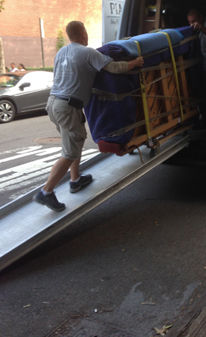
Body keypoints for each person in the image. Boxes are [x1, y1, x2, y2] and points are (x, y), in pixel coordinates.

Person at [33, 20, 144, 212]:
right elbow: (115, 68)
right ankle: (46, 191)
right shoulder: (88, 52)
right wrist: (135, 62)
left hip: (54, 104)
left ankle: (75, 180)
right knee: (69, 151)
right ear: (83, 33)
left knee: (75, 141)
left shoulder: (62, 52)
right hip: (68, 106)